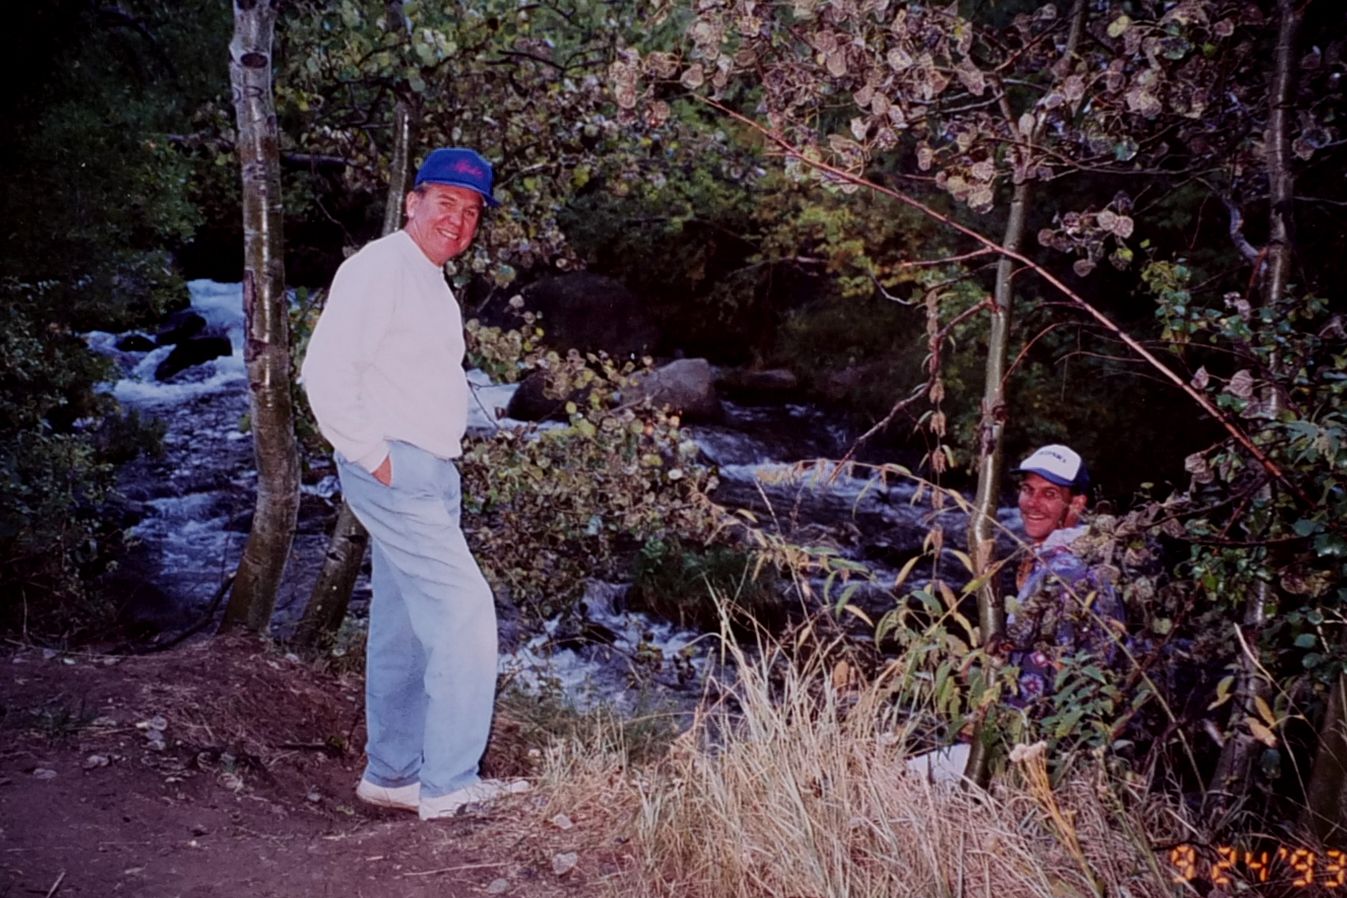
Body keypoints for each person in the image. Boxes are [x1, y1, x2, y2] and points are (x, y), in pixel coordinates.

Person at [301, 147, 526, 821]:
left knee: (402, 627)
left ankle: (392, 775)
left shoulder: (428, 278)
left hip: (429, 470)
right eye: (445, 203)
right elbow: (325, 371)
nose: (457, 220)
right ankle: (451, 785)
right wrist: (373, 456)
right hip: (395, 469)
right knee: (465, 611)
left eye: (471, 211)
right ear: (413, 202)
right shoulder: (379, 267)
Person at [906, 442, 1124, 782]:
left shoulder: (1063, 571)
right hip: (1057, 744)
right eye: (1027, 490)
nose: (1032, 503)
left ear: (1077, 504)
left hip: (1043, 755)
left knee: (906, 778)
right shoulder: (1082, 556)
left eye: (1049, 494)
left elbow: (1049, 675)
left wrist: (988, 727)